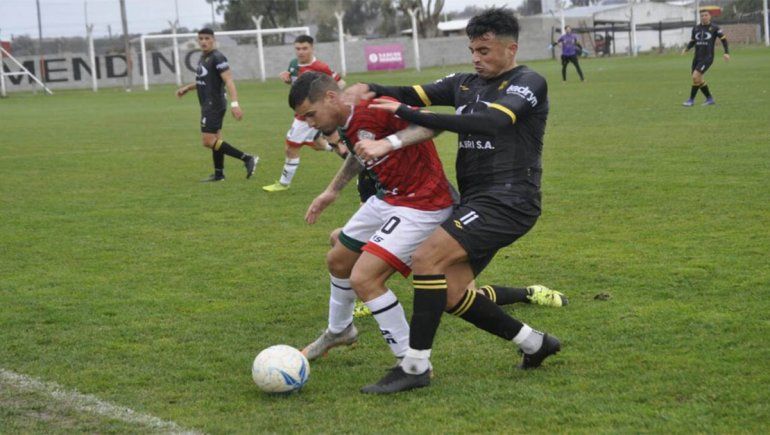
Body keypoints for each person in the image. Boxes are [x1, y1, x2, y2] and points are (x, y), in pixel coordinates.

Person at [347, 8, 561, 394]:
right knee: (451, 292)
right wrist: (369, 86)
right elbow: (411, 92)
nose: (476, 58)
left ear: (511, 48)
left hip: (510, 201)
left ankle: (414, 366)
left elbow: (494, 122)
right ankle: (536, 343)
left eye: (485, 50)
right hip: (478, 200)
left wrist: (409, 114)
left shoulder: (529, 82)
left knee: (426, 258)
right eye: (473, 50)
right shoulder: (465, 84)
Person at [290, 71, 454, 365]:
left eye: (311, 114)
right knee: (337, 260)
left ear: (330, 97)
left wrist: (389, 142)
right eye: (304, 118)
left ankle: (412, 364)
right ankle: (340, 330)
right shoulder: (343, 121)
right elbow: (358, 153)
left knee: (364, 278)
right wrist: (332, 191)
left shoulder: (374, 105)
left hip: (422, 202)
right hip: (388, 198)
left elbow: (432, 123)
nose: (310, 124)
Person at [263, 35, 346, 192]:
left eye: (304, 48)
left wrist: (331, 104)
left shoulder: (321, 67)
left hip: (311, 115)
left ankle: (283, 183)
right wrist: (287, 80)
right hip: (302, 113)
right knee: (321, 144)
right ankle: (359, 163)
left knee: (291, 147)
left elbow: (340, 83)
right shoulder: (293, 65)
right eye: (298, 48)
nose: (301, 52)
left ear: (312, 48)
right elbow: (296, 86)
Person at [176, 28, 257, 182]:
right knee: (216, 139)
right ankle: (219, 174)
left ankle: (247, 158)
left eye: (207, 38)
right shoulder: (203, 57)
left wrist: (235, 104)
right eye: (201, 38)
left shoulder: (218, 57)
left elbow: (229, 80)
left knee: (208, 141)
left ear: (213, 39)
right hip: (208, 103)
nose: (203, 41)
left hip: (214, 104)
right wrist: (187, 88)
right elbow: (204, 80)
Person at [681, 10, 729, 107]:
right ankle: (710, 99)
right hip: (697, 57)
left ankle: (691, 100)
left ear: (710, 16)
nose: (704, 17)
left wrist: (726, 52)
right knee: (698, 79)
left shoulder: (715, 28)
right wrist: (687, 48)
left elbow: (724, 40)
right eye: (702, 15)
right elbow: (693, 41)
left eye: (706, 15)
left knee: (695, 76)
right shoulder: (696, 28)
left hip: (707, 57)